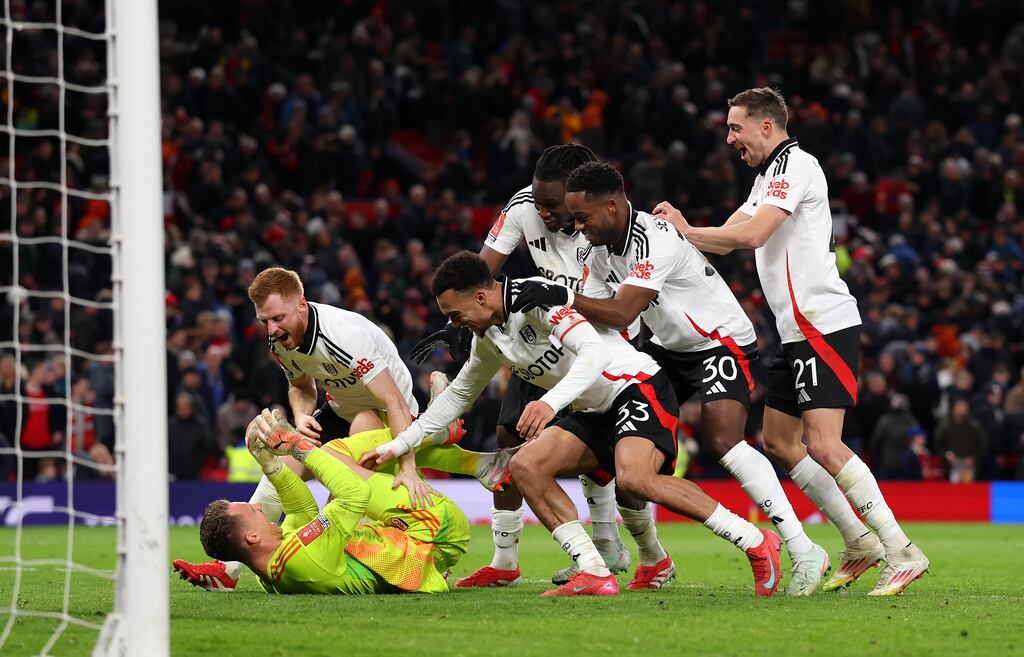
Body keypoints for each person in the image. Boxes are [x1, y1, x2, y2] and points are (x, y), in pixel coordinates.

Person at [367, 252, 781, 597]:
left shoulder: (537, 300)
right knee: (525, 467)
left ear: (480, 296)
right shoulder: (488, 337)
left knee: (634, 479)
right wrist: (399, 444)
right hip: (592, 408)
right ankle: (595, 571)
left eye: (455, 315)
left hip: (634, 387)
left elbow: (594, 355)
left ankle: (755, 539)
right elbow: (458, 396)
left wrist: (548, 404)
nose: (454, 325)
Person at [511, 160, 830, 596]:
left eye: (583, 217)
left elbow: (624, 310)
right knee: (628, 447)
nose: (577, 227)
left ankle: (801, 545)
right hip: (666, 348)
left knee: (722, 441)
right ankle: (653, 559)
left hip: (718, 339)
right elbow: (608, 325)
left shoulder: (654, 237)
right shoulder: (592, 251)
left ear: (611, 206)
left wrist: (562, 295)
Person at [656, 87, 928, 595]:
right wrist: (680, 231)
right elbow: (727, 231)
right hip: (791, 331)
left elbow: (752, 236)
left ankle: (900, 550)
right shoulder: (765, 178)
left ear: (766, 126)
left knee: (824, 443)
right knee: (780, 440)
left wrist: (687, 232)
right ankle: (857, 541)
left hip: (821, 321)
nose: (729, 139)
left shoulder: (795, 166)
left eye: (736, 128)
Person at [412, 144, 663, 590]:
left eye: (553, 205)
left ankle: (629, 550)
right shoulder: (525, 205)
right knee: (510, 437)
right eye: (539, 201)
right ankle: (506, 559)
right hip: (540, 335)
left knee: (601, 446)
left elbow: (625, 303)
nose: (543, 212)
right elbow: (479, 272)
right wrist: (460, 324)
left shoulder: (608, 227)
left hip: (600, 340)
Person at [175, 267, 512, 591]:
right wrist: (302, 415)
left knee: (347, 470)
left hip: (387, 409)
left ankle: (433, 431)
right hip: (341, 406)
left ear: (302, 306)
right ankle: (230, 570)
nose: (271, 329)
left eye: (278, 319)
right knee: (284, 466)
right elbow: (301, 386)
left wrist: (408, 469)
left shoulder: (344, 337)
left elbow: (393, 400)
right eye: (264, 321)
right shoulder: (279, 341)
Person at [198, 408, 469, 594]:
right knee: (335, 452)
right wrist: (297, 445)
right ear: (253, 537)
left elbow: (301, 509)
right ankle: (439, 433)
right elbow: (354, 495)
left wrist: (269, 464)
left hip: (407, 542)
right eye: (251, 510)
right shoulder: (302, 558)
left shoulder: (269, 571)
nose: (258, 506)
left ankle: (432, 431)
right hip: (434, 532)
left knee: (365, 444)